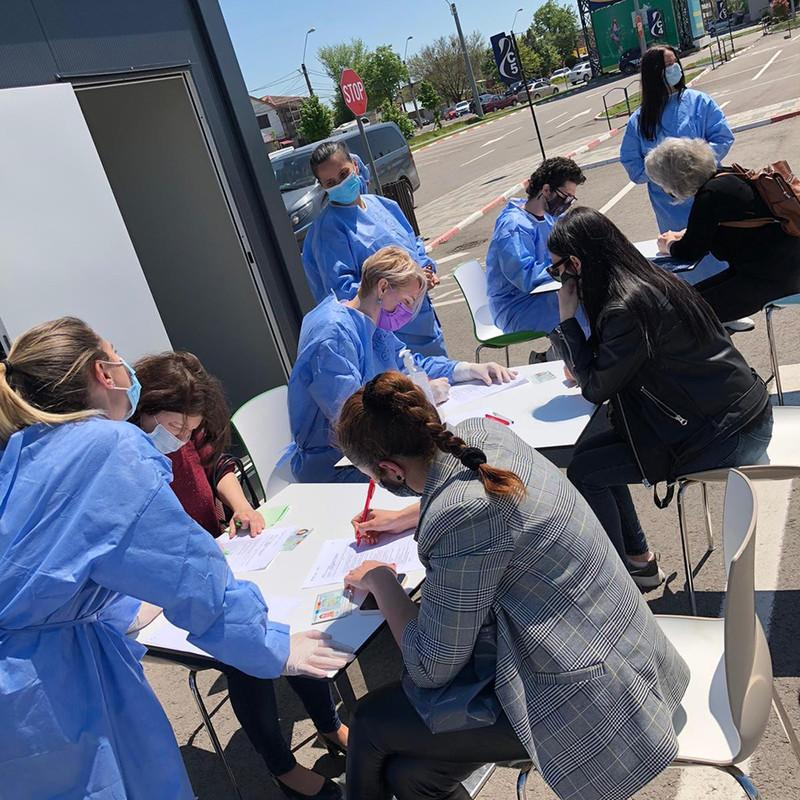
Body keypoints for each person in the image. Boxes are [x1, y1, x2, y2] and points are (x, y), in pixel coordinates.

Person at [0, 317, 353, 800]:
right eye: (116, 351)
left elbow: (45, 566)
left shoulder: (24, 449)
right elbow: (194, 579)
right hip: (57, 688)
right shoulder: (110, 447)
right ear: (104, 373)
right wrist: (269, 645)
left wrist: (119, 606)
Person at [334, 371, 690, 800]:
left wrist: (382, 580)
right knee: (410, 774)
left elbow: (431, 667)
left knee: (371, 721)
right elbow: (482, 493)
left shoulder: (461, 516)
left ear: (389, 469)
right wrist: (409, 516)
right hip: (622, 648)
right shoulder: (479, 437)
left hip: (588, 697)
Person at [131, 352, 347, 800]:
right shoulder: (126, 459)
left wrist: (240, 505)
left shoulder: (179, 429)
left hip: (217, 554)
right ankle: (283, 768)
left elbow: (217, 464)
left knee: (287, 618)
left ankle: (329, 725)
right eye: (176, 429)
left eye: (191, 431)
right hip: (163, 587)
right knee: (243, 652)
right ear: (144, 408)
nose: (184, 439)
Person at [549, 208, 772, 588]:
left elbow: (596, 388)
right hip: (737, 411)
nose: (558, 281)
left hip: (724, 433)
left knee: (586, 471)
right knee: (586, 456)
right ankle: (638, 560)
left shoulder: (624, 309)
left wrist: (567, 320)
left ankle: (616, 581)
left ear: (576, 263)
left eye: (557, 271)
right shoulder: (650, 282)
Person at [281, 246, 513, 484]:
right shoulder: (332, 335)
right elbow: (351, 418)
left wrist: (466, 369)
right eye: (406, 301)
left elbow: (410, 363)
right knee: (451, 475)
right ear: (382, 287)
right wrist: (419, 395)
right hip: (339, 465)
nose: (408, 311)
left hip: (379, 450)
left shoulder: (371, 320)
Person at [301, 140, 448, 357]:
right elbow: (344, 293)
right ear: (322, 186)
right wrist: (397, 293)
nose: (340, 184)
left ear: (355, 166)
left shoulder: (384, 206)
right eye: (331, 182)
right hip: (387, 335)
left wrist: (425, 270)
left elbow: (412, 244)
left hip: (423, 321)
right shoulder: (329, 232)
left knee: (445, 380)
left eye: (343, 174)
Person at [646, 137, 800, 323]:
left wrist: (669, 243)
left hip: (771, 279)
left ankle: (720, 345)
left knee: (684, 316)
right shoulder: (729, 177)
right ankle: (722, 333)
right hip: (779, 268)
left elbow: (689, 251)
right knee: (686, 302)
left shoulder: (709, 195)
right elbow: (730, 224)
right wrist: (687, 233)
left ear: (674, 180)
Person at [620, 45, 734, 232]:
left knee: (719, 250)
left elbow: (722, 137)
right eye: (668, 65)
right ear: (654, 73)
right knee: (683, 252)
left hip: (707, 191)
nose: (675, 69)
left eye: (675, 63)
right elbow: (631, 162)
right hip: (669, 206)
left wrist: (695, 166)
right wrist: (664, 173)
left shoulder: (698, 101)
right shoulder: (640, 120)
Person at [485, 157, 586, 334]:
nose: (567, 203)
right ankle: (569, 358)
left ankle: (557, 356)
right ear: (546, 190)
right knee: (584, 313)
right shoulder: (513, 226)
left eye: (572, 198)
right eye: (565, 196)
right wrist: (567, 268)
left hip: (542, 296)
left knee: (591, 300)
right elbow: (525, 278)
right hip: (516, 306)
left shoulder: (549, 216)